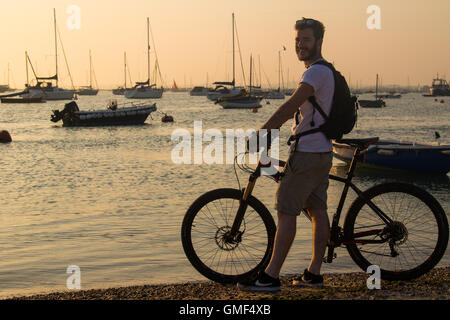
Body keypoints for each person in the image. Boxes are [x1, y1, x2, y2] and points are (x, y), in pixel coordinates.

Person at [238, 18, 335, 291]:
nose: (299, 44)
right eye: (297, 40)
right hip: (322, 150)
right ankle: (314, 273)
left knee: (285, 210)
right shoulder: (324, 71)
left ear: (318, 41)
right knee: (317, 209)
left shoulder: (315, 73)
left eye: (305, 39)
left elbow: (289, 106)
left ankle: (270, 277)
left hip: (307, 153)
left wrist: (263, 132)